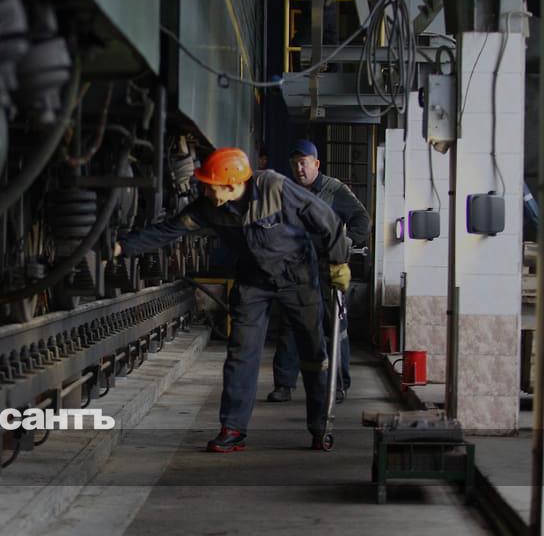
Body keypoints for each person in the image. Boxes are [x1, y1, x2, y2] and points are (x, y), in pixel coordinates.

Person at [113, 147, 351, 451]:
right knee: (241, 352)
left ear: (231, 184)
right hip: (253, 280)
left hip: (297, 277)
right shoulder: (209, 206)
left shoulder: (274, 188)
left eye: (210, 185)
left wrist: (338, 263)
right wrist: (122, 248)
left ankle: (320, 425)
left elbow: (326, 219)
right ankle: (233, 428)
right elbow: (168, 230)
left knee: (313, 352)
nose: (204, 190)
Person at [267, 140, 369, 404]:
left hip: (327, 271)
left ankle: (339, 385)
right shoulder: (287, 191)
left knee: (335, 328)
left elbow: (362, 220)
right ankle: (284, 384)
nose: (299, 169)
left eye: (303, 163)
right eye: (294, 164)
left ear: (316, 164)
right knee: (290, 326)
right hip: (295, 271)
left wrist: (344, 244)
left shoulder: (334, 190)